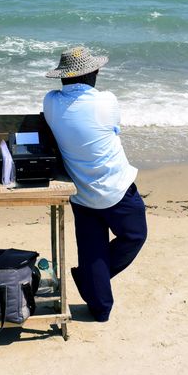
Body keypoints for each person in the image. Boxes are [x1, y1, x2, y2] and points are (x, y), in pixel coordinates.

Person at [43, 46, 147, 322]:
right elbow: (114, 130)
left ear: (62, 78)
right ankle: (90, 278)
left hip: (81, 193)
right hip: (117, 188)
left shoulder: (50, 102)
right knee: (135, 236)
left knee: (92, 250)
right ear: (95, 73)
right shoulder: (106, 101)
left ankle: (100, 307)